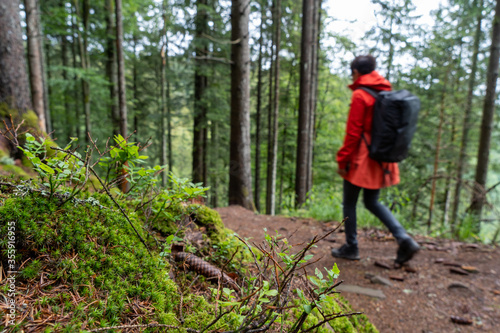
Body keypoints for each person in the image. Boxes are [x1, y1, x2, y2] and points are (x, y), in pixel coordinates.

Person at [331, 55, 420, 267]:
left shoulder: (361, 95)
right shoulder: (384, 91)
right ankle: (404, 239)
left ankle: (351, 247)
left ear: (355, 71)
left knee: (350, 202)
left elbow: (353, 133)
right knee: (372, 201)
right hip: (380, 156)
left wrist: (343, 160)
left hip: (361, 158)